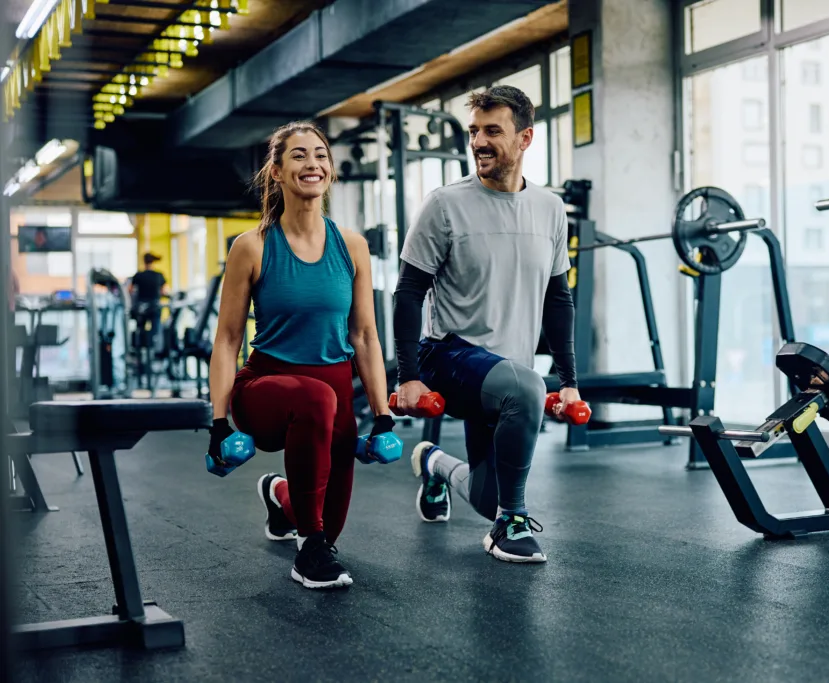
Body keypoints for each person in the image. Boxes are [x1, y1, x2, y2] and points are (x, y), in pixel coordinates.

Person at [392, 85, 579, 564]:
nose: (478, 141)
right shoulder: (444, 205)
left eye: (492, 130)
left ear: (525, 138)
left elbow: (558, 300)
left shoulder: (550, 209)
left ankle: (434, 465)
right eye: (474, 131)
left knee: (482, 495)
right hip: (449, 355)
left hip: (505, 369)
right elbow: (409, 292)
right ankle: (510, 522)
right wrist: (408, 376)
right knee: (526, 388)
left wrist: (571, 383)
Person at [207, 120, 394, 589]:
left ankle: (281, 496)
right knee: (317, 535)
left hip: (332, 393)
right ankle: (307, 555)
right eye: (299, 155)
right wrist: (217, 423)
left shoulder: (351, 245)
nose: (313, 164)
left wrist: (383, 414)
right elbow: (228, 339)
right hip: (266, 388)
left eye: (320, 155)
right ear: (276, 170)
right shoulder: (251, 247)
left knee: (328, 523)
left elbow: (366, 335)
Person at [128, 253, 168, 353]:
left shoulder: (139, 275)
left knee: (140, 331)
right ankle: (154, 353)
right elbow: (164, 291)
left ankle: (140, 354)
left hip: (141, 308)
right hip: (154, 307)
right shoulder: (158, 275)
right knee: (155, 332)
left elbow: (130, 290)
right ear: (153, 262)